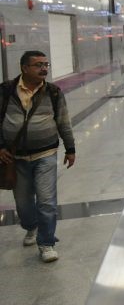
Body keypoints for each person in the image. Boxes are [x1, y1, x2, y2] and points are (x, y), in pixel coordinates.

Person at [0, 51, 76, 263]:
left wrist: (70, 148)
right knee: (23, 203)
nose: (44, 69)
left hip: (46, 153)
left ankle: (47, 242)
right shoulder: (6, 90)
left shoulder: (52, 92)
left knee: (47, 200)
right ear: (24, 68)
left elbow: (63, 121)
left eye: (46, 64)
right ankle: (31, 226)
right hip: (16, 158)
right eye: (38, 65)